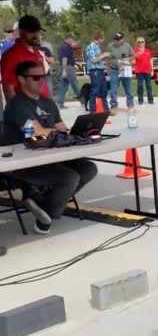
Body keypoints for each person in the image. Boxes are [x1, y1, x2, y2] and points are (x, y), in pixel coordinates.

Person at [2, 61, 98, 234]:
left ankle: (43, 204)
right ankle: (47, 214)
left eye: (44, 76)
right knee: (70, 177)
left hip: (50, 156)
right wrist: (58, 132)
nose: (42, 81)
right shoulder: (17, 105)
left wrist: (79, 132)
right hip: (24, 163)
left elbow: (61, 128)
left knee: (89, 168)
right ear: (22, 80)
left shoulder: (47, 102)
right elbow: (37, 132)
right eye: (36, 77)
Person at [1, 15, 51, 103]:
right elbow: (8, 87)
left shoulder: (36, 52)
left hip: (43, 107)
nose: (36, 35)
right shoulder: (12, 56)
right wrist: (17, 112)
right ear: (21, 31)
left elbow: (42, 82)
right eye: (31, 31)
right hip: (27, 109)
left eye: (38, 31)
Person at [107, 32, 134, 115]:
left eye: (118, 39)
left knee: (128, 87)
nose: (117, 41)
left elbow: (133, 56)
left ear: (122, 39)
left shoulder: (127, 46)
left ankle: (130, 105)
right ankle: (114, 106)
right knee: (113, 89)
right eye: (115, 39)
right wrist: (107, 69)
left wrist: (128, 59)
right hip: (114, 69)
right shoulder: (110, 46)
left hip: (125, 68)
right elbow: (107, 58)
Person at [85, 32, 110, 114]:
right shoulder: (91, 46)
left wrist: (104, 57)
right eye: (102, 39)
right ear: (99, 38)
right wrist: (103, 56)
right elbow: (93, 60)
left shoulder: (97, 46)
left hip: (100, 69)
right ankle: (93, 110)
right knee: (95, 90)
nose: (103, 41)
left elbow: (98, 59)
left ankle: (105, 109)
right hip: (94, 70)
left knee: (103, 90)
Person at [56, 35, 81, 109]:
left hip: (61, 67)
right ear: (67, 39)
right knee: (75, 84)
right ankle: (83, 100)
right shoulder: (66, 47)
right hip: (67, 68)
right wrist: (64, 70)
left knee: (63, 87)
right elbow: (64, 59)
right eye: (71, 39)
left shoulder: (62, 47)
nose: (72, 41)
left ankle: (60, 104)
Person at [133, 37, 154, 105]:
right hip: (139, 71)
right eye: (139, 42)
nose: (140, 43)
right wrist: (135, 56)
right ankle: (140, 100)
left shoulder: (148, 51)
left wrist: (152, 70)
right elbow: (133, 61)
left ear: (144, 42)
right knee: (140, 86)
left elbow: (151, 60)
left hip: (147, 70)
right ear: (137, 43)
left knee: (149, 86)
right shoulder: (135, 51)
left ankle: (150, 100)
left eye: (142, 42)